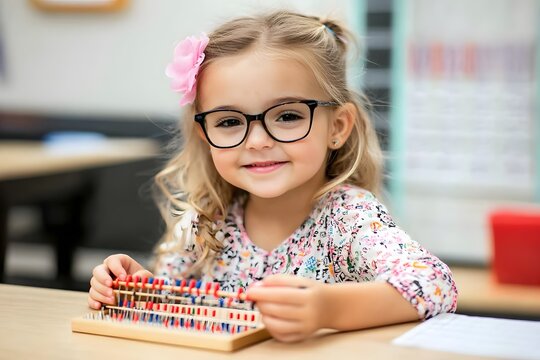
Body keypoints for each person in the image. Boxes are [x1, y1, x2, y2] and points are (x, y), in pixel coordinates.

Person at [88, 10, 458, 342]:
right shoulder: (207, 220)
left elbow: (435, 286)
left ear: (338, 126)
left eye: (287, 116)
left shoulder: (349, 217)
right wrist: (137, 288)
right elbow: (175, 301)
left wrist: (328, 310)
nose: (259, 141)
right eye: (230, 122)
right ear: (206, 137)